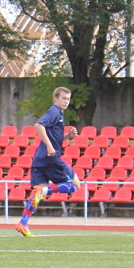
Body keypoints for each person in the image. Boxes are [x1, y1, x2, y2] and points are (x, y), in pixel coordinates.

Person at [16, 86, 82, 236]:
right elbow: (38, 125)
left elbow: (53, 135)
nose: (66, 101)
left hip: (39, 160)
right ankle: (46, 190)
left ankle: (23, 222)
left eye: (68, 99)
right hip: (51, 158)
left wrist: (67, 136)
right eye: (63, 98)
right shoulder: (54, 112)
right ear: (55, 99)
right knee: (75, 185)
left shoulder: (58, 114)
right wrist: (50, 146)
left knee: (38, 193)